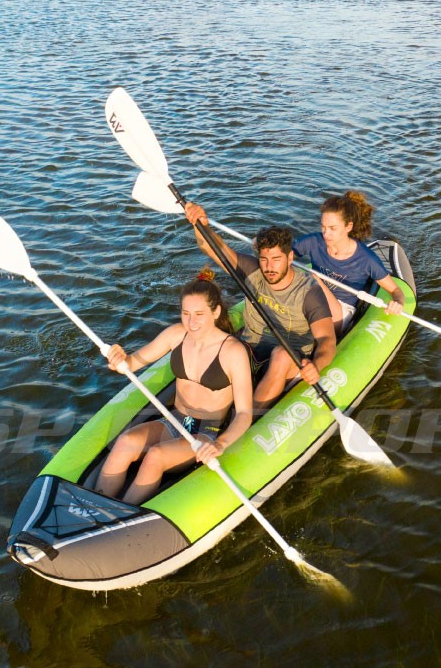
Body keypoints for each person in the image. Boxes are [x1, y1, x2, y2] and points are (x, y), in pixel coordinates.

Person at [95, 269, 252, 504]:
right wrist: (118, 359)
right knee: (126, 441)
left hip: (206, 432)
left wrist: (220, 444)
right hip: (175, 419)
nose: (191, 321)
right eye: (186, 313)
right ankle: (94, 503)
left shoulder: (233, 351)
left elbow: (244, 414)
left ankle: (121, 517)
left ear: (216, 311)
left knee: (155, 456)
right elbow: (131, 363)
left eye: (199, 314)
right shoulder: (175, 335)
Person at [183, 202, 336, 410]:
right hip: (250, 350)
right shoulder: (253, 271)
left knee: (281, 355)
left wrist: (316, 365)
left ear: (290, 257)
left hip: (289, 359)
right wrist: (200, 224)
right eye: (264, 259)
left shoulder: (308, 292)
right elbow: (211, 248)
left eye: (276, 259)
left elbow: (327, 340)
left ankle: (247, 420)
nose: (269, 267)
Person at [293, 191, 406, 333]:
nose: (326, 234)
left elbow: (395, 290)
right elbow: (285, 254)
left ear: (348, 227)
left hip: (340, 310)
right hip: (314, 297)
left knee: (311, 276)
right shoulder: (315, 241)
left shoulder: (367, 259)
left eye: (333, 228)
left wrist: (398, 302)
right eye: (323, 227)